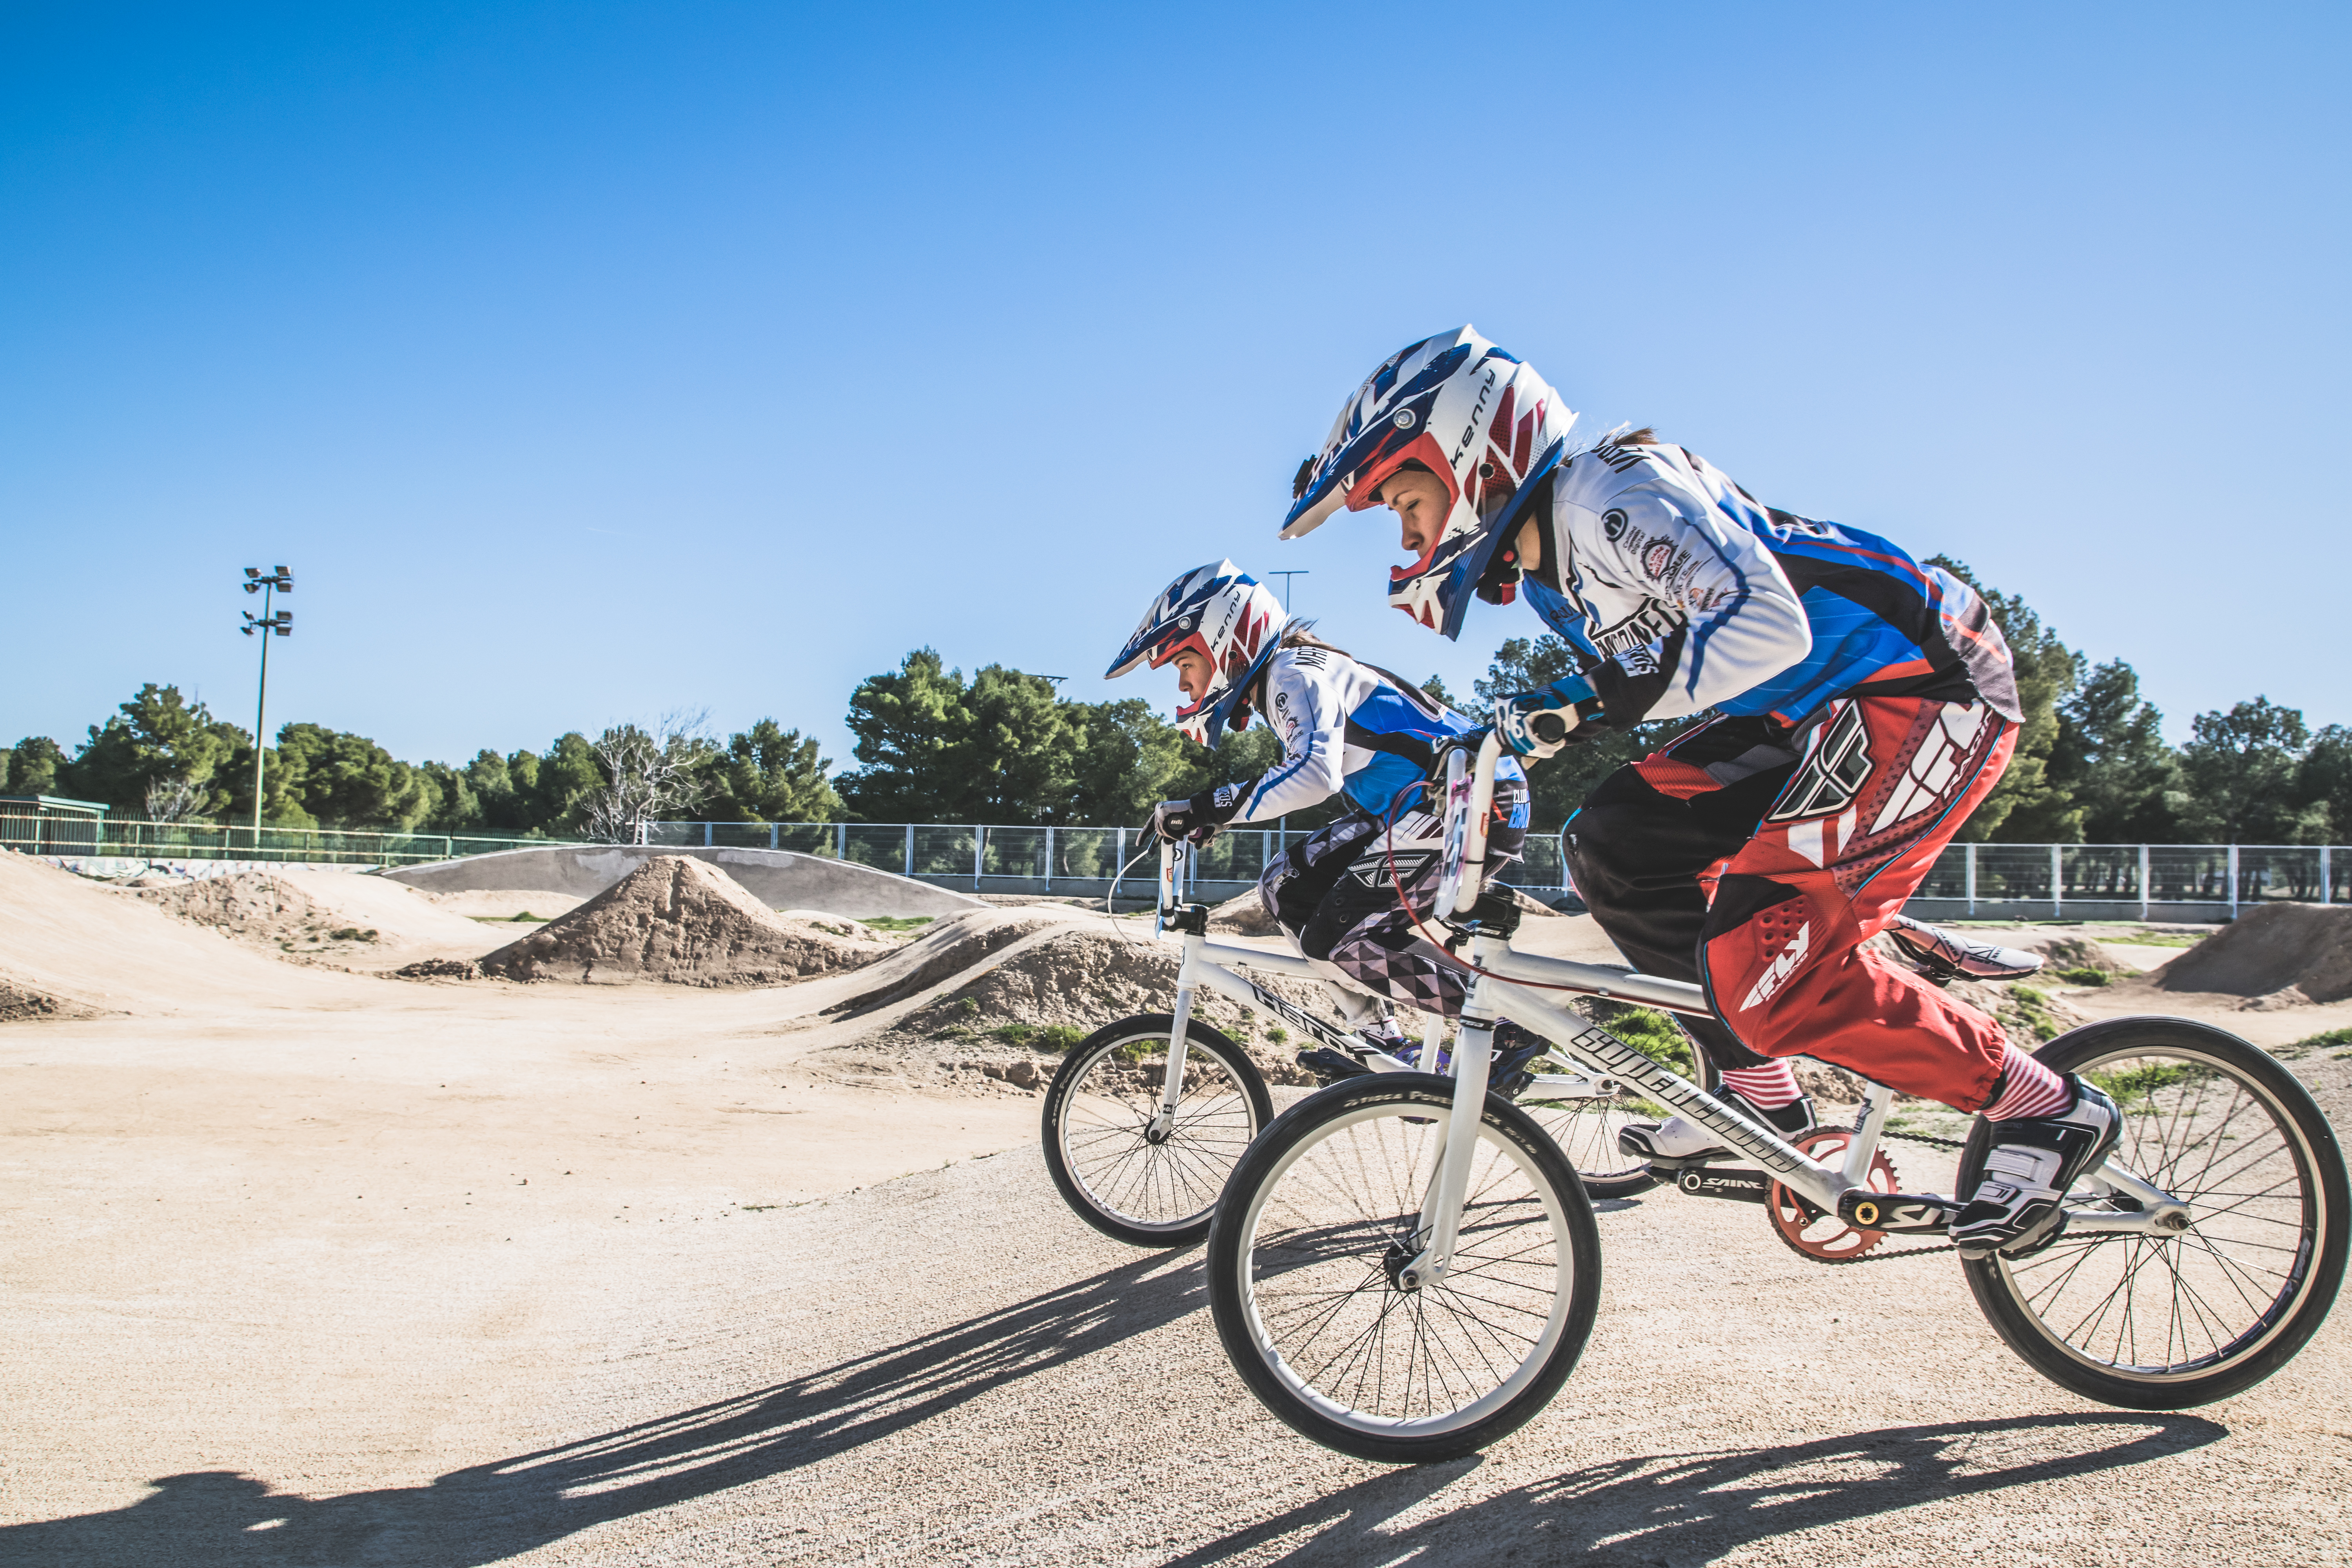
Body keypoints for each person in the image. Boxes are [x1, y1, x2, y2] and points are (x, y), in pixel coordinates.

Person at [1279, 327, 2117, 1259]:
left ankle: (2046, 1109)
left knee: (1765, 969)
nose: (1405, 535)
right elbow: (1663, 676)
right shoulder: (1553, 553)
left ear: (1464, 452)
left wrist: (1587, 699)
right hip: (1808, 710)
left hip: (1921, 687)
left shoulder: (1611, 493)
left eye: (1404, 498)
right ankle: (1755, 1089)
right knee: (1617, 842)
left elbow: (1766, 628)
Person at [1107, 559, 1547, 1078]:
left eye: (1184, 664)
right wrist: (1218, 814)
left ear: (1221, 641)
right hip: (1434, 804)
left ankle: (1506, 1025)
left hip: (1472, 803)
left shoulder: (1293, 673)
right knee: (1286, 888)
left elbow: (1315, 776)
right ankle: (1382, 1044)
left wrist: (1209, 808)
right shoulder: (1292, 673)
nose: (1184, 686)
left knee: (1339, 943)